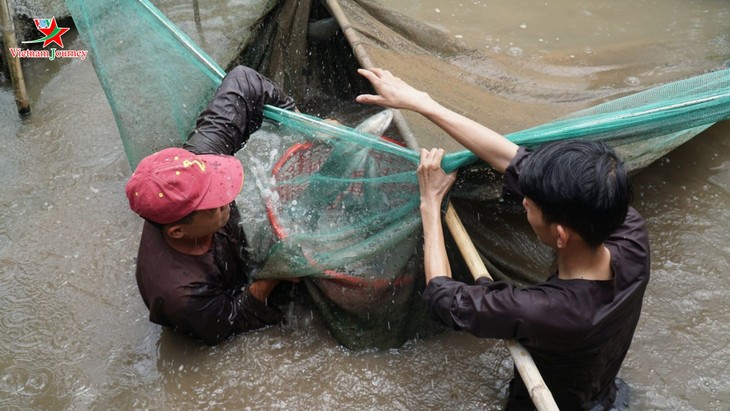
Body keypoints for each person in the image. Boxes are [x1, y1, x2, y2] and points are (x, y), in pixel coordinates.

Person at [356, 68, 649, 410]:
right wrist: (423, 104)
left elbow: (442, 298)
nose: (523, 201)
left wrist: (430, 205)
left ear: (560, 235)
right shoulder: (630, 235)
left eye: (531, 204)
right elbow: (515, 161)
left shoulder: (546, 310)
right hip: (605, 393)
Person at [125, 66, 297, 345]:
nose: (227, 197)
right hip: (208, 314)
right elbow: (232, 321)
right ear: (178, 232)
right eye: (214, 204)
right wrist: (273, 275)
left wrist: (303, 124)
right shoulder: (182, 295)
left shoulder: (195, 166)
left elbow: (243, 82)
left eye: (219, 185)